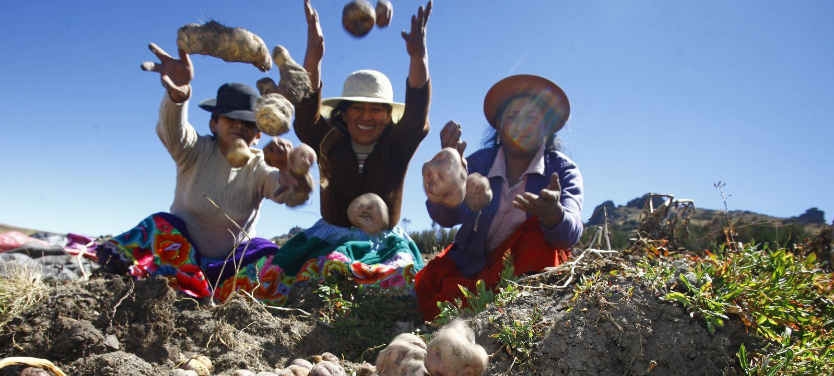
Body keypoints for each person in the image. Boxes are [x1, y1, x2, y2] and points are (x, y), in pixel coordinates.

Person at [249, 0, 433, 304]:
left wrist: (418, 57)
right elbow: (307, 115)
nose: (365, 116)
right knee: (296, 284)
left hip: (383, 244)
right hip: (329, 237)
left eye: (376, 110)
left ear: (388, 116)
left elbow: (415, 116)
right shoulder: (328, 140)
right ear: (343, 114)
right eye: (357, 108)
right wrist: (315, 54)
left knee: (396, 289)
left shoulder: (396, 144)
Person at [97, 43, 313, 301]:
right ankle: (142, 284)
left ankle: (217, 293)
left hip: (228, 268)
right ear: (213, 123)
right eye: (229, 118)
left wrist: (292, 171)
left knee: (267, 252)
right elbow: (172, 128)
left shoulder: (258, 166)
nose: (238, 126)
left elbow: (288, 194)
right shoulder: (194, 150)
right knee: (159, 226)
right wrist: (179, 97)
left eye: (247, 123)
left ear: (258, 134)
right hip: (178, 258)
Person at [415, 75, 584, 320]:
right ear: (499, 125)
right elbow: (447, 217)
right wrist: (447, 181)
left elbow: (570, 234)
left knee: (537, 232)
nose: (521, 126)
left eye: (531, 118)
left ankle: (521, 311)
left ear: (547, 127)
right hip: (473, 266)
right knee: (431, 288)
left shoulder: (562, 170)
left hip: (526, 270)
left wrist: (552, 214)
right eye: (513, 117)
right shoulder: (480, 162)